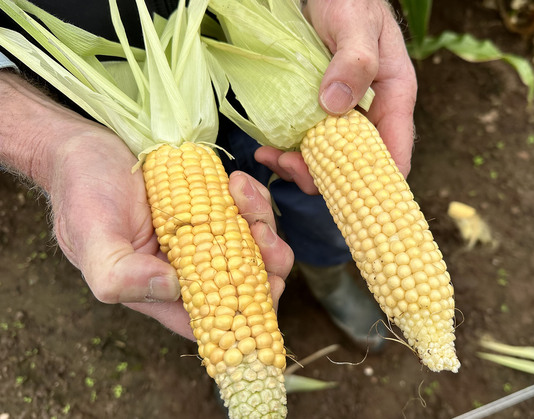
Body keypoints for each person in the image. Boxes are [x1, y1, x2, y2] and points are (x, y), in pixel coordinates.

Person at [0, 0, 417, 349]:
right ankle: (242, 341)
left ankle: (329, 281)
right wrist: (51, 146)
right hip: (121, 106)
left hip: (266, 58)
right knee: (194, 268)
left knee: (320, 206)